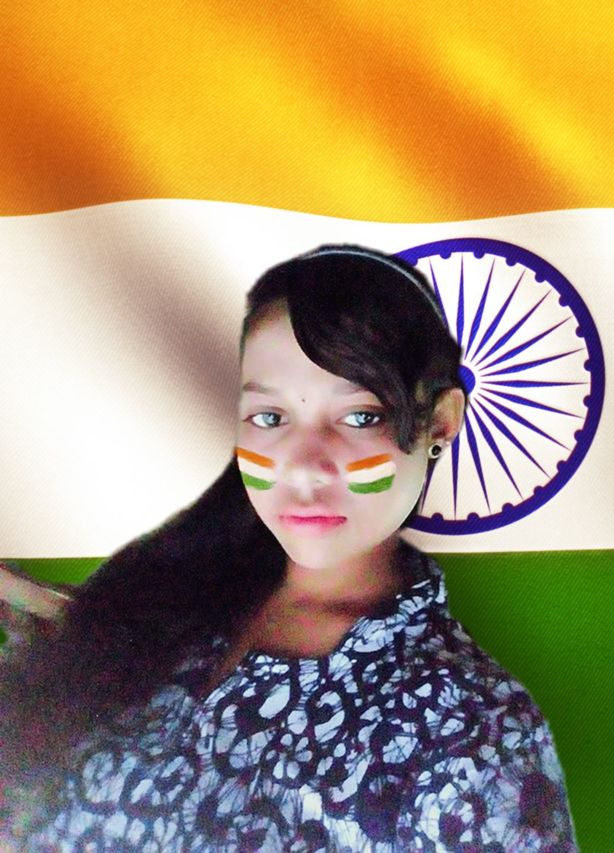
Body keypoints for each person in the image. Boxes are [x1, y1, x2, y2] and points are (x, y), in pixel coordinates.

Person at [0, 245, 578, 851]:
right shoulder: (159, 605)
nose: (302, 467)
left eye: (359, 417)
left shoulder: (474, 731)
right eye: (271, 417)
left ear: (440, 420)